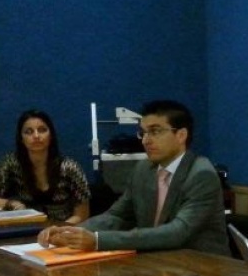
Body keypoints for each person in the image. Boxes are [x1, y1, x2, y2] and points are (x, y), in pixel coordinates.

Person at [39, 99, 228, 254]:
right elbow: (117, 216)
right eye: (143, 133)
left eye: (155, 131)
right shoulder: (143, 169)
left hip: (202, 267)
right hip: (156, 261)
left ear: (181, 135)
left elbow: (177, 233)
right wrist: (74, 231)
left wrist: (97, 240)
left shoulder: (201, 174)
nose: (146, 140)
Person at [0, 109, 91, 224]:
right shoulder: (10, 163)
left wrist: (58, 231)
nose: (36, 136)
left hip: (62, 230)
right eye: (28, 132)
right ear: (21, 139)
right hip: (23, 228)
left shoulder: (70, 168)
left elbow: (82, 215)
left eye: (42, 130)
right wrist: (10, 203)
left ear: (51, 136)